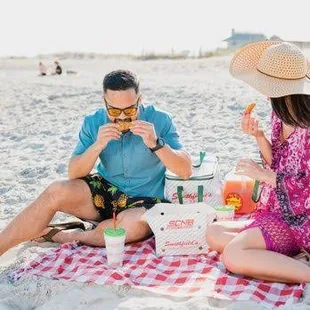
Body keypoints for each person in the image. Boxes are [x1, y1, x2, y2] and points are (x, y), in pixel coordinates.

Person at [0, 69, 192, 256]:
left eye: (130, 110)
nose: (123, 117)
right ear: (104, 102)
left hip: (146, 200)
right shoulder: (93, 122)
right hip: (105, 192)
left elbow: (185, 170)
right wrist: (97, 145)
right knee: (55, 191)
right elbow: (74, 174)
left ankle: (67, 235)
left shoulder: (160, 119)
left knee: (127, 229)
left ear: (139, 100)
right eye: (115, 111)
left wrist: (155, 143)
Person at [207, 41, 310, 283]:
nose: (263, 92)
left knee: (233, 255)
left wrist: (267, 177)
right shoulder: (279, 114)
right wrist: (259, 136)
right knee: (214, 232)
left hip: (301, 220)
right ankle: (291, 259)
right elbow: (278, 162)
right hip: (279, 213)